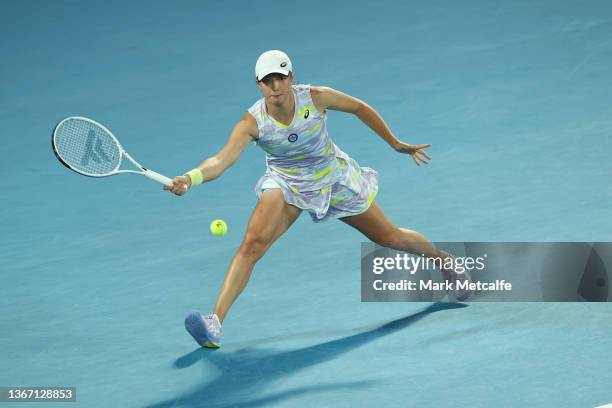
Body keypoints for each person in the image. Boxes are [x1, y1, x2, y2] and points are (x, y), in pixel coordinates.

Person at [164, 50, 471, 348]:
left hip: (332, 178)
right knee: (252, 244)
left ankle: (444, 261)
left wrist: (395, 143)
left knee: (389, 237)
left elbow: (360, 108)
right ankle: (214, 322)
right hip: (287, 185)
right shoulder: (252, 123)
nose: (274, 87)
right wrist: (191, 178)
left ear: (290, 78)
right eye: (266, 81)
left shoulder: (315, 97)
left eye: (279, 79)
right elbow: (221, 160)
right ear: (258, 85)